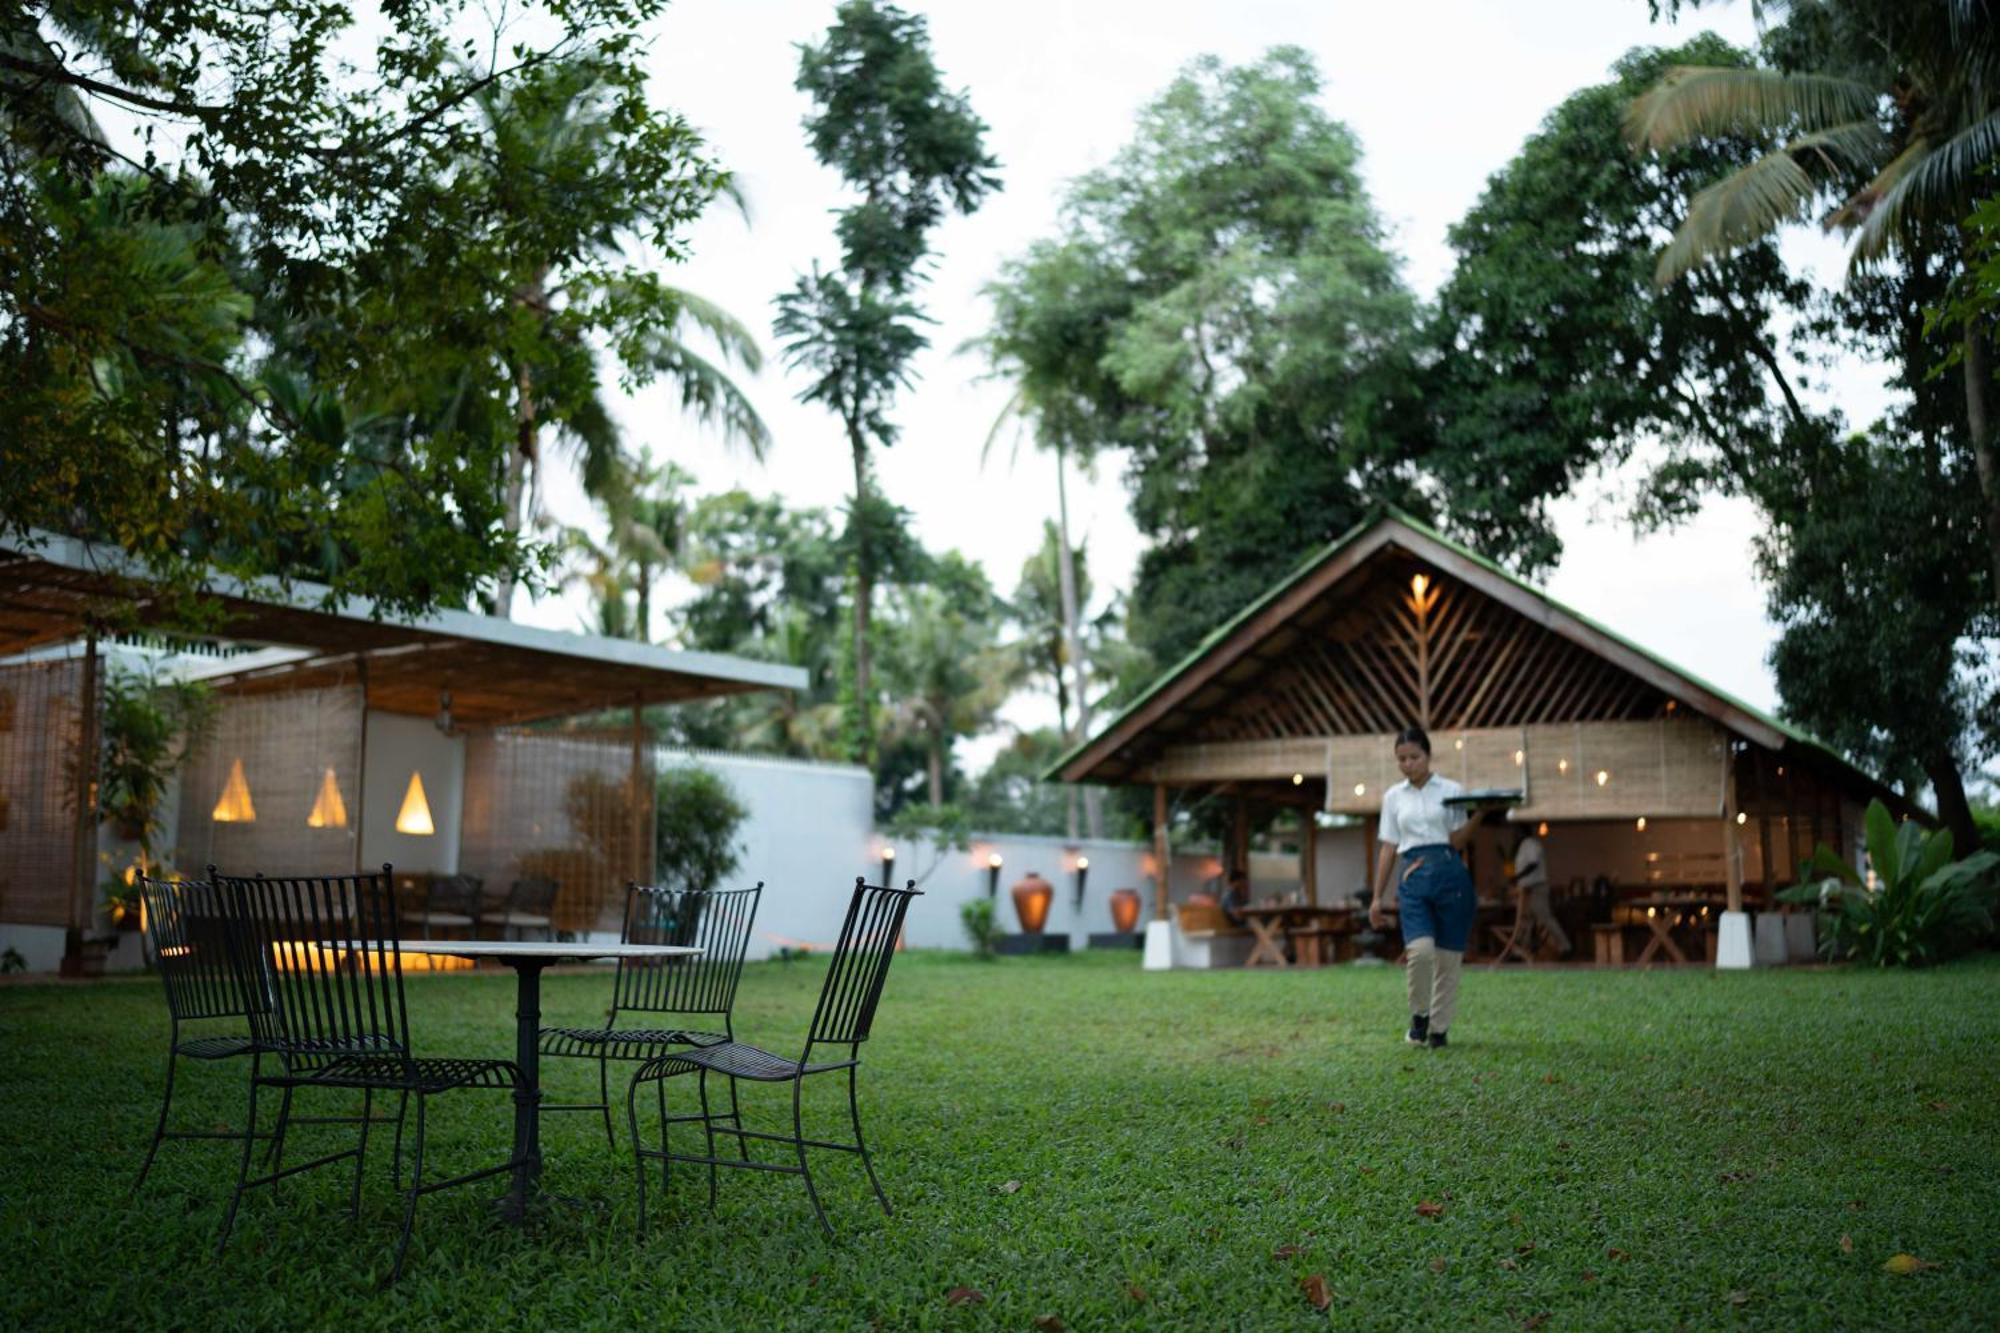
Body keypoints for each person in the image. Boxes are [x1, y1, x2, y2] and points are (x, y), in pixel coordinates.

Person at [1368, 725, 1490, 1049]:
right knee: (1420, 953)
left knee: (1449, 959)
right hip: (1414, 877)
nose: (1408, 764)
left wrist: (1479, 816)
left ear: (1428, 755)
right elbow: (1388, 848)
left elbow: (1457, 840)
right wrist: (1376, 898)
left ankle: (1439, 1030)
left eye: (1414, 757)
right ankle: (1419, 1017)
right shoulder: (1393, 797)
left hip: (1452, 875)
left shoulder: (1451, 790)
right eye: (1401, 759)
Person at [1508, 825, 1571, 958]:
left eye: (1516, 832)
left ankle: (1565, 946)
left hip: (1536, 887)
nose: (1514, 835)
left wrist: (1518, 877)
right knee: (1526, 920)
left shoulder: (1530, 843)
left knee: (1545, 917)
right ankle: (1521, 951)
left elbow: (1533, 863)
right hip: (1526, 889)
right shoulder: (1523, 846)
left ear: (1522, 833)